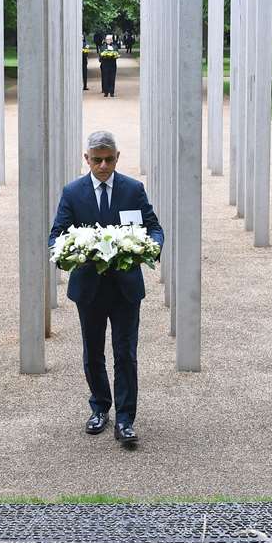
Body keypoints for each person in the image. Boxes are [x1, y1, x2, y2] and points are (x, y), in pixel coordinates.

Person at [48, 131, 163, 448]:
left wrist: (149, 248)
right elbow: (56, 234)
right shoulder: (72, 192)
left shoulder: (133, 189)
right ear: (86, 159)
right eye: (96, 160)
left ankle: (126, 419)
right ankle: (100, 408)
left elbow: (153, 228)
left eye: (108, 160)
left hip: (126, 287)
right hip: (90, 288)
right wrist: (68, 252)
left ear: (117, 158)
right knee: (93, 352)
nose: (102, 165)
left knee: (125, 353)